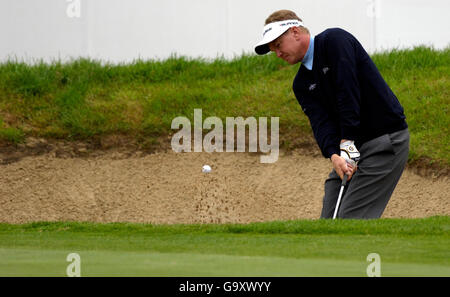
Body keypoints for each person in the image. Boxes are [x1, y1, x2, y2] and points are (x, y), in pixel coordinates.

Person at [254, 10, 410, 219]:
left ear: (295, 32)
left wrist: (346, 142)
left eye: (279, 46)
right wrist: (334, 155)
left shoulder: (334, 41)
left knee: (349, 220)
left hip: (384, 140)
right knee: (328, 219)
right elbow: (321, 124)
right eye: (274, 51)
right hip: (353, 147)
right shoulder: (301, 84)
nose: (278, 54)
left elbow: (348, 91)